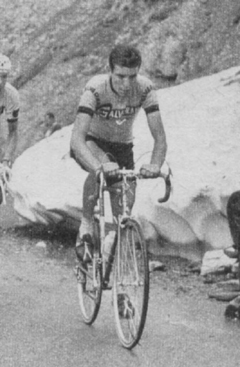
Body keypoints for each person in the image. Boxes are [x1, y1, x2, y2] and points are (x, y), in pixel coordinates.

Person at [70, 44, 167, 260]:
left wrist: (155, 165)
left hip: (122, 146)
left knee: (124, 209)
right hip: (91, 141)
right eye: (120, 76)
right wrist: (99, 166)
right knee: (100, 173)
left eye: (132, 76)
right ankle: (86, 225)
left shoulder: (145, 89)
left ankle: (112, 247)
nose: (126, 83)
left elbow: (159, 138)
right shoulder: (95, 88)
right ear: (109, 70)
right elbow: (77, 140)